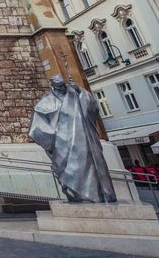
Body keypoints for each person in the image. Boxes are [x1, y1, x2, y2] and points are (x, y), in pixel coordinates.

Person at [29, 74, 117, 203]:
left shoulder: (75, 94)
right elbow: (38, 125)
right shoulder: (47, 100)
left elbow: (92, 108)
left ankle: (97, 194)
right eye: (58, 86)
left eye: (62, 85)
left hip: (85, 141)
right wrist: (52, 140)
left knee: (91, 167)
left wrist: (79, 90)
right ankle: (75, 193)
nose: (61, 89)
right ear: (52, 86)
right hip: (62, 144)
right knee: (68, 171)